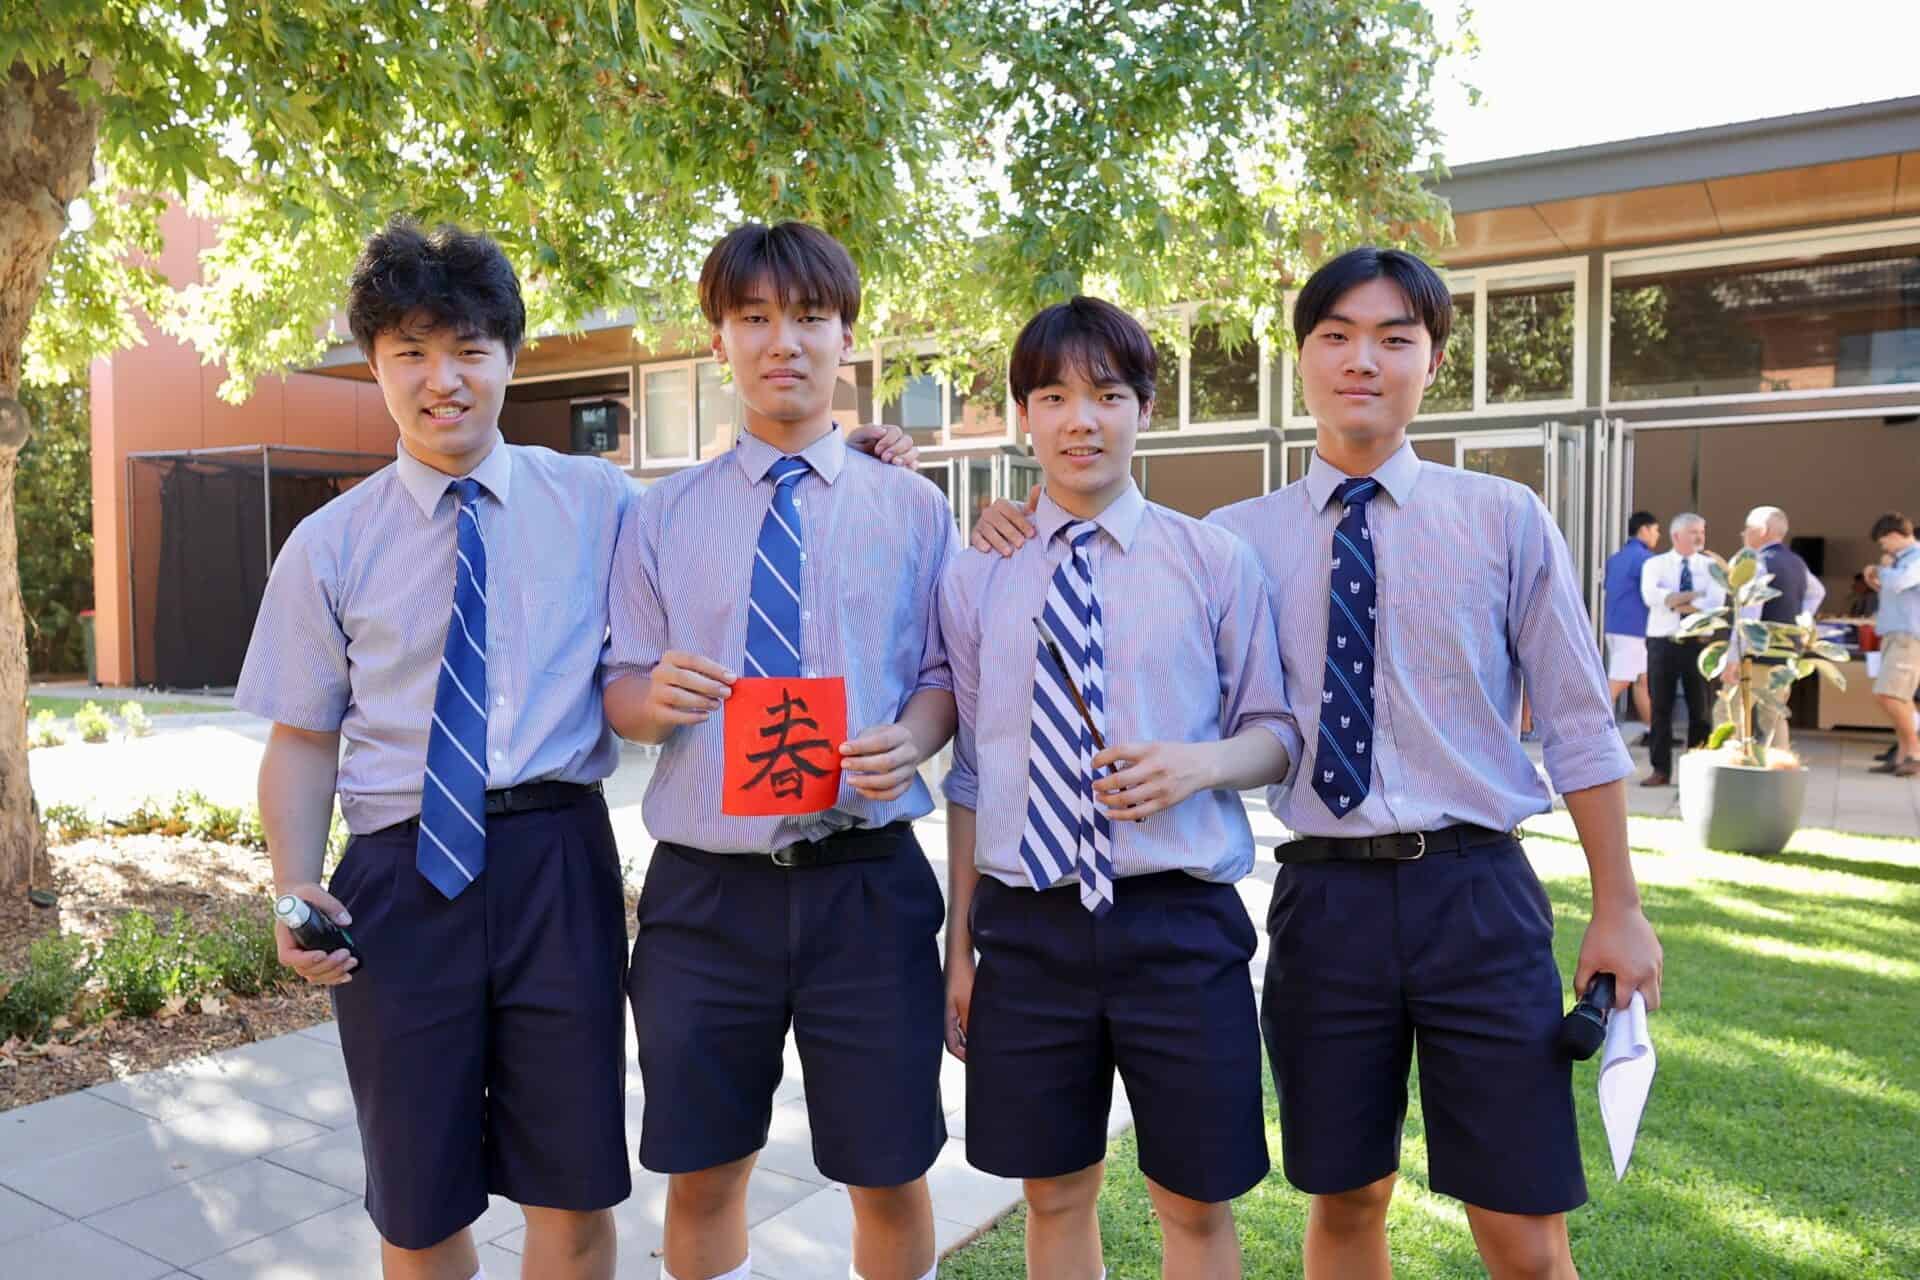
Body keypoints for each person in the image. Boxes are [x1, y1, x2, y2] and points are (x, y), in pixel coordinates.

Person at [972, 246, 1662, 1279]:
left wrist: (1620, 905)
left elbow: (1577, 723)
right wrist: (1016, 517)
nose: (1362, 360)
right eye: (1336, 336)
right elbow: (1115, 579)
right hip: (1324, 905)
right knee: (1345, 1196)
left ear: (1433, 360)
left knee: (1522, 1228)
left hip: (1477, 893)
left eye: (1394, 339)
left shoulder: (1504, 517)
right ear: (1301, 358)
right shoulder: (1233, 542)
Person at [238, 220, 635, 1280]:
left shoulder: (596, 501)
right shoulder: (329, 544)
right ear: (376, 363)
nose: (441, 378)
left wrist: (862, 454)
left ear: (510, 357)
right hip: (398, 879)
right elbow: (302, 735)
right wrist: (291, 882)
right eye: (410, 351)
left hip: (557, 864)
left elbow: (722, 527)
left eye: (468, 349)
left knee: (573, 1192)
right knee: (416, 1209)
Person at [604, 221, 957, 1280]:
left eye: (808, 316)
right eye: (753, 317)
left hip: (868, 885)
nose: (782, 341)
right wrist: (651, 700)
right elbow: (619, 688)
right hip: (707, 896)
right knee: (705, 1173)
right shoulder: (662, 514)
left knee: (888, 1171)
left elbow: (945, 675)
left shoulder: (914, 505)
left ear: (846, 335)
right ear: (719, 339)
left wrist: (913, 737)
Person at [939, 298, 1299, 1280]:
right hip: (1028, 926)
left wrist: (1199, 763)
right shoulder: (976, 576)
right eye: (1053, 396)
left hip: (1178, 920)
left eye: (1106, 394)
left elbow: (1276, 733)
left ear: (1146, 407)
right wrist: (961, 946)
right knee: (1054, 1191)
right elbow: (971, 768)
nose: (1081, 420)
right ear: (1024, 414)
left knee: (1195, 1200)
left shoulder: (1212, 559)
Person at [1639, 513, 1725, 786]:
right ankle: (1660, 769)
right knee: (1660, 707)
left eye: (1702, 531)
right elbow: (1651, 596)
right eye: (1694, 532)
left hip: (1697, 643)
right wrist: (1694, 597)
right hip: (1663, 642)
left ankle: (1697, 768)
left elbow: (1715, 603)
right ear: (1676, 536)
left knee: (1700, 708)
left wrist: (1674, 600)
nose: (1700, 537)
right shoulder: (1655, 564)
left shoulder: (1711, 567)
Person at [1729, 506, 1817, 749]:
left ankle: (1729, 765)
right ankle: (1782, 764)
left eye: (1747, 528)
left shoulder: (1756, 563)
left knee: (1730, 712)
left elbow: (1750, 614)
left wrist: (1734, 657)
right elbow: (1817, 592)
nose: (1743, 534)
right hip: (1785, 651)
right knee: (1774, 716)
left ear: (1762, 530)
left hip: (1757, 654)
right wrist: (1799, 621)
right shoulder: (1797, 563)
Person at [1863, 512, 1919, 776]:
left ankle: (1915, 752)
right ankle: (1901, 756)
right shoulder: (1900, 561)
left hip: (1908, 638)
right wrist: (1876, 578)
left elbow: (1901, 582)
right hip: (1894, 634)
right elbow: (1897, 593)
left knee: (1889, 695)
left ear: (1895, 535)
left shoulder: (1916, 558)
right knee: (1899, 697)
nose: (1883, 547)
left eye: (1884, 541)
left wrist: (1881, 570)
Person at [1602, 511, 1660, 743]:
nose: (1657, 535)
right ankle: (1590, 729)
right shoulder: (1646, 560)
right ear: (1644, 530)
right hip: (1633, 629)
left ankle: (1653, 731)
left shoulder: (1615, 559)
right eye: (1655, 530)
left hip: (1615, 626)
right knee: (1618, 682)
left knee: (1641, 680)